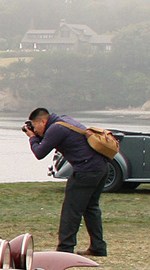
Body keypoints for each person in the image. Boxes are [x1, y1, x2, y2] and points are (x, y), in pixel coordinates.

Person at [24, 107, 109, 256]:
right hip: (101, 167)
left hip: (86, 170)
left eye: (35, 125)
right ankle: (98, 247)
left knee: (71, 211)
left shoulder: (55, 129)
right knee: (91, 208)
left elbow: (40, 153)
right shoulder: (64, 121)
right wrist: (37, 136)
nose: (35, 129)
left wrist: (32, 137)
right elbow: (49, 142)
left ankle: (65, 249)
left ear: (43, 121)